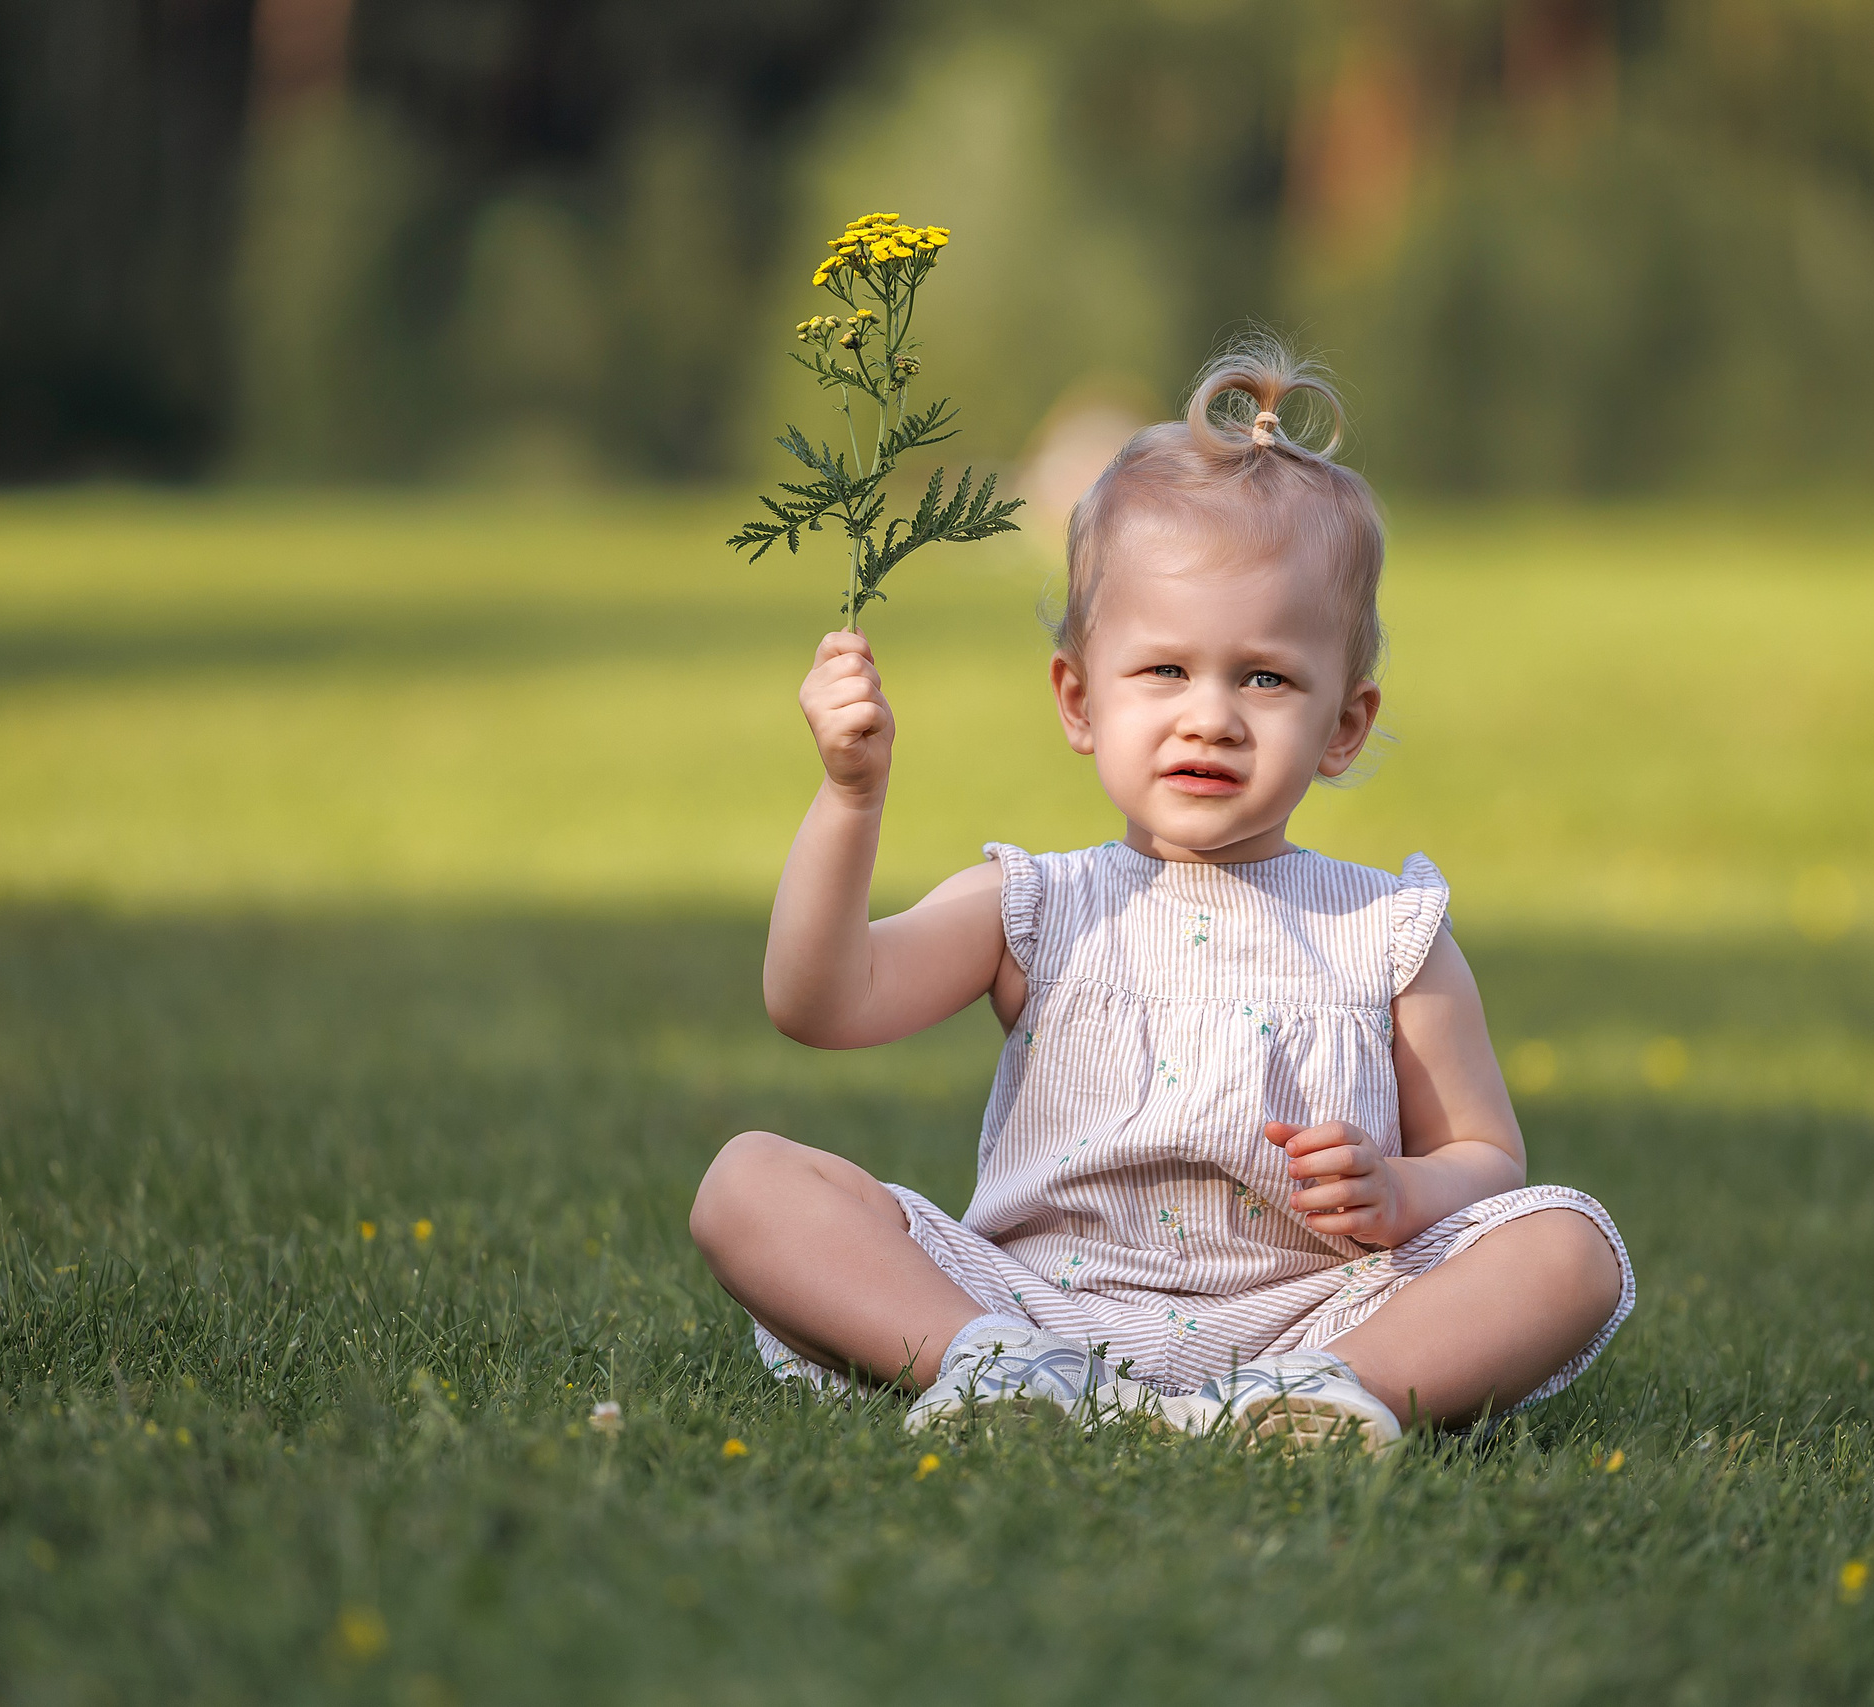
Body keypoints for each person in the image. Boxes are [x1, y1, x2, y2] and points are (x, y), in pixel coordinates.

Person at [689, 340, 1633, 1451]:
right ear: (1079, 701)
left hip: (1305, 1319)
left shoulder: (1387, 935)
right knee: (746, 1181)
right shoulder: (1034, 904)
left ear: (1345, 725)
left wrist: (1402, 1192)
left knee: (1569, 1243)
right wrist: (850, 798)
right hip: (1027, 1305)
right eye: (1164, 671)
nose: (1211, 716)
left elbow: (1486, 1159)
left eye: (1266, 677)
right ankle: (990, 1372)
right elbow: (820, 1001)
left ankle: (1321, 1399)